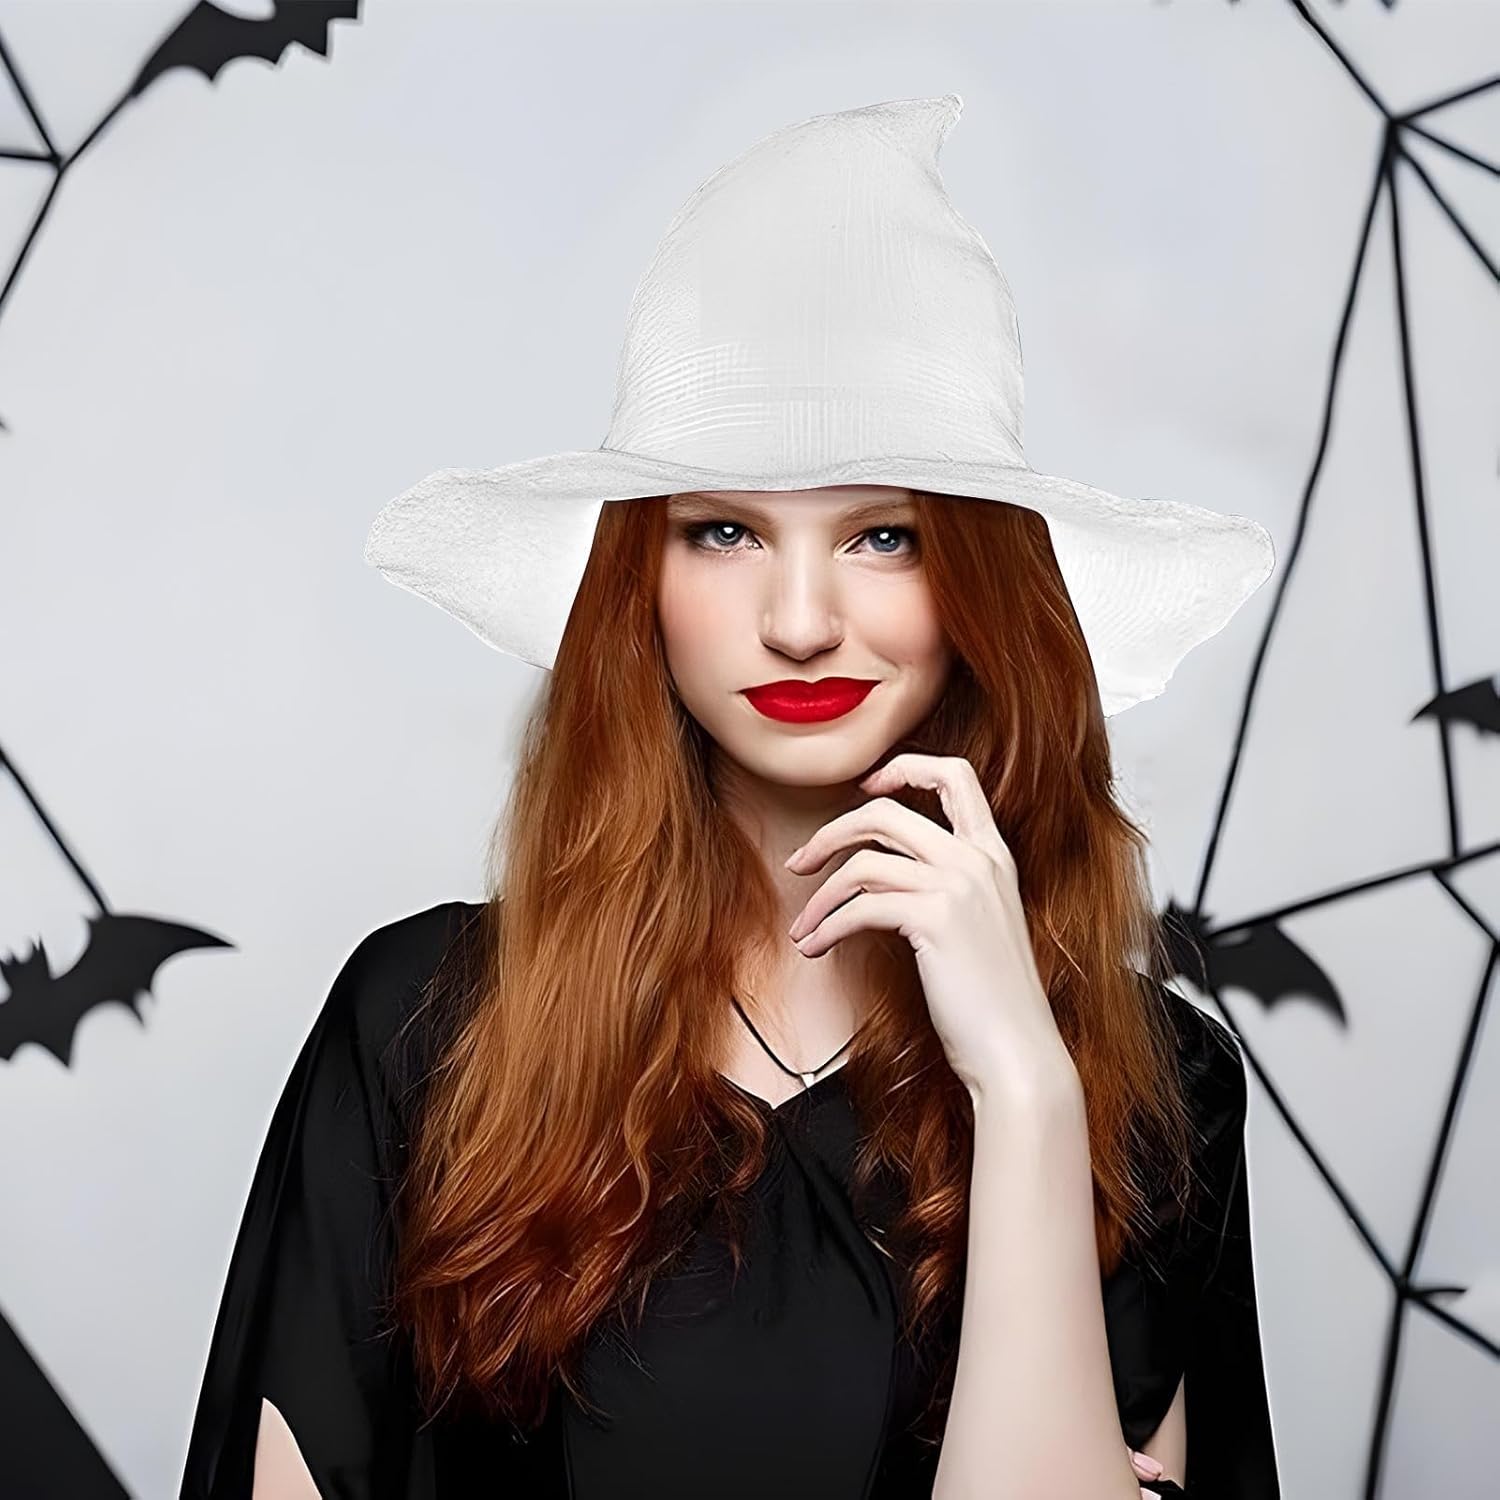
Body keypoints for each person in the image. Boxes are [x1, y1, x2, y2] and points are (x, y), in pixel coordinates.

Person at [180, 96, 1281, 1499]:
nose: (802, 622)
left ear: (980, 586)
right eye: (724, 531)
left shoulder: (1148, 1092)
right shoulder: (424, 1030)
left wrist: (1023, 1089)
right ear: (640, 581)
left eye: (884, 536)